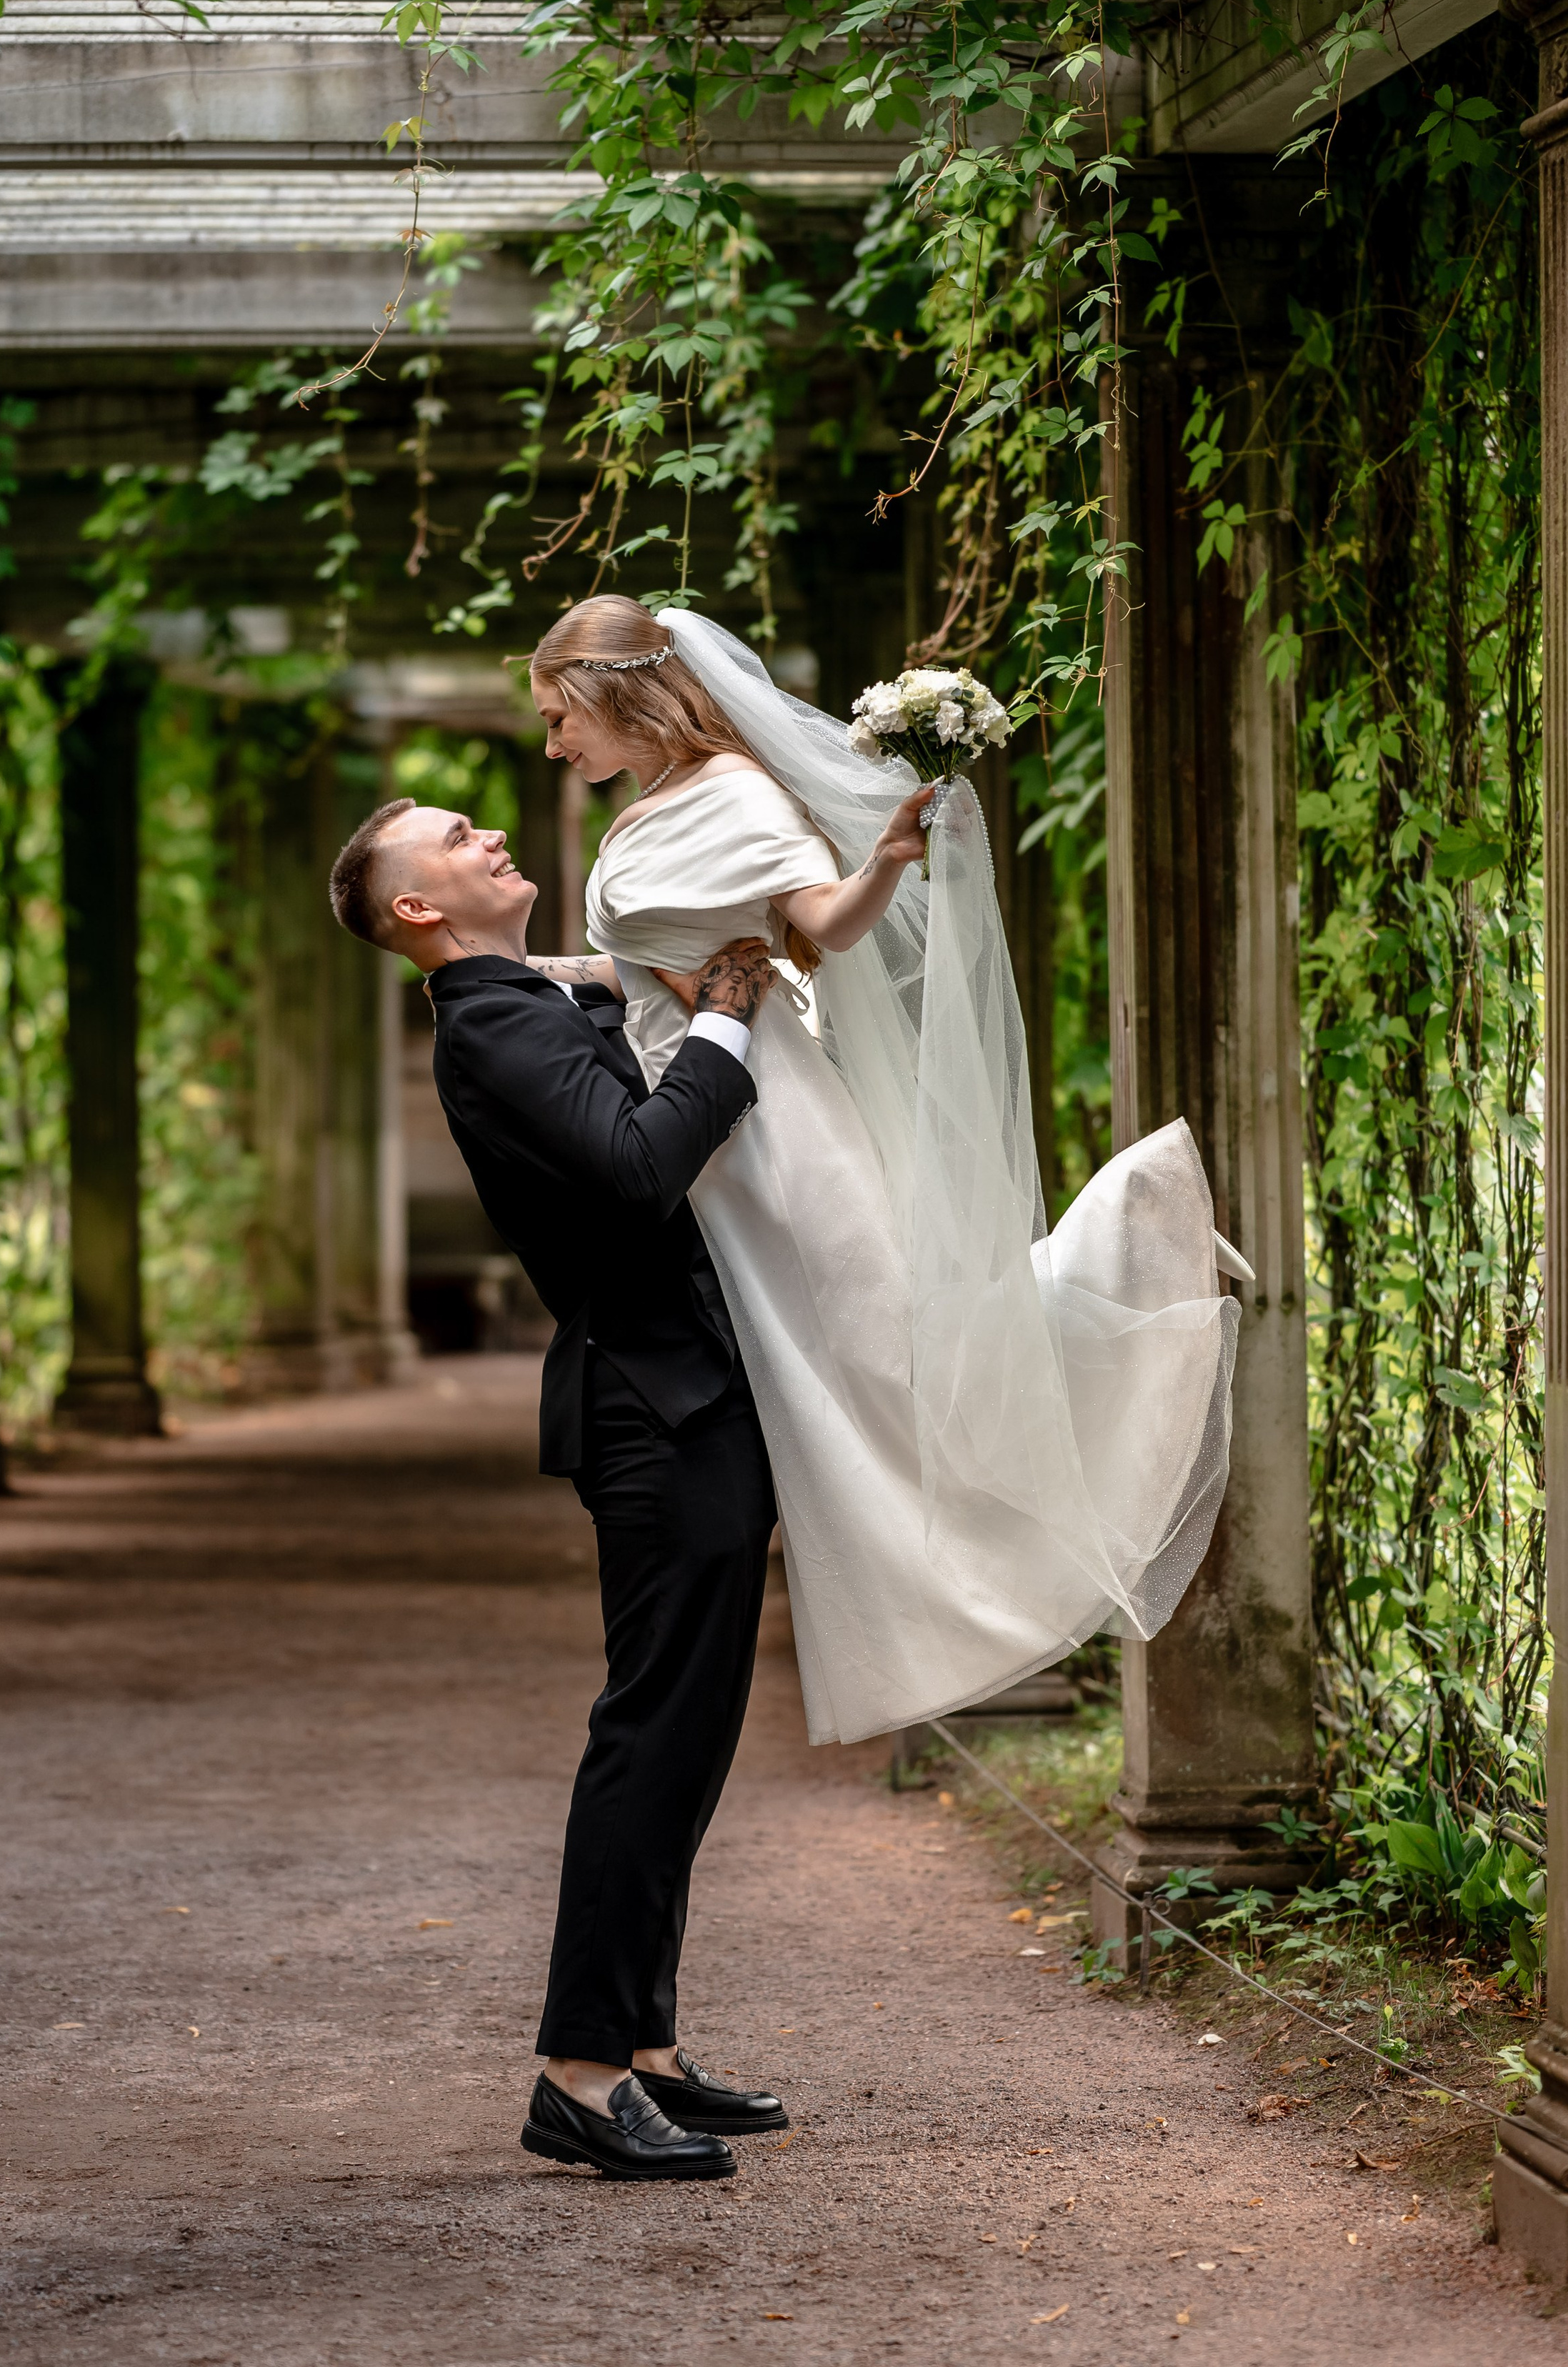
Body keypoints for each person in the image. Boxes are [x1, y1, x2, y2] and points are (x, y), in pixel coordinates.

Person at [526, 599, 1249, 1752]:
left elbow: (824, 924)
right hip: (692, 1123)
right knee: (814, 1381)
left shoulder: (744, 796)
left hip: (771, 1126)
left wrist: (887, 862)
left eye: (564, 717)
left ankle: (1133, 1236)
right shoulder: (643, 810)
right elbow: (642, 961)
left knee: (887, 1354)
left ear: (625, 696)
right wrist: (527, 977)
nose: (556, 744)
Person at [327, 796, 792, 2183]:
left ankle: (640, 2041)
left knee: (693, 1729)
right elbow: (646, 1167)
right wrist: (724, 1019)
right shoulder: (486, 1022)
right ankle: (577, 2075)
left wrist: (645, 971)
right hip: (652, 1408)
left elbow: (586, 998)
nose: (486, 834)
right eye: (455, 835)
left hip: (687, 1395)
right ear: (417, 909)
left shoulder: (514, 998)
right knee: (649, 1732)